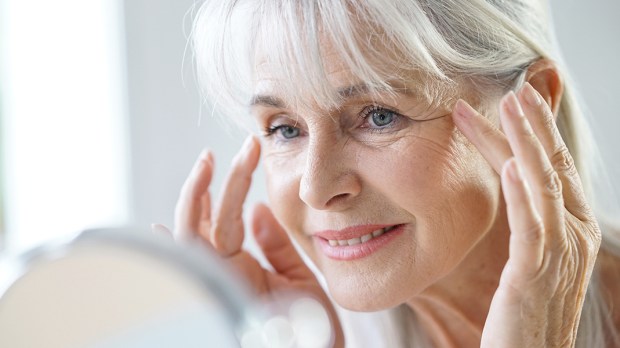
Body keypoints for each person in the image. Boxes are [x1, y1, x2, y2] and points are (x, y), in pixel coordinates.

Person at [166, 0, 620, 346]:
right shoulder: (299, 325)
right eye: (286, 129)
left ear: (530, 103)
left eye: (379, 115)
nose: (315, 188)